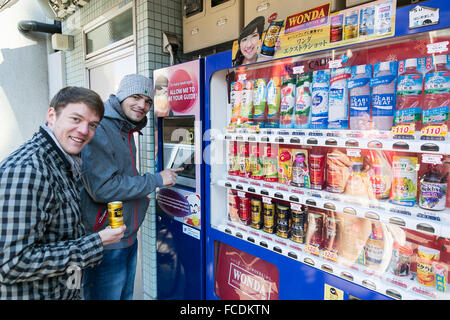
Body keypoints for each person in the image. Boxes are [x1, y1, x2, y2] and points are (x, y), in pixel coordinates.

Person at [0, 86, 126, 300]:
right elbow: (12, 263)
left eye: (92, 124)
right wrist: (96, 242)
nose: (85, 131)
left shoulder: (62, 162)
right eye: (76, 119)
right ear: (52, 116)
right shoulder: (28, 170)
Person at [80, 74, 182, 300]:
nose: (142, 106)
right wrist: (156, 180)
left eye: (147, 101)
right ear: (121, 96)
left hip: (125, 234)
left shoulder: (125, 127)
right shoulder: (101, 127)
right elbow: (103, 188)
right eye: (135, 97)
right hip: (104, 239)